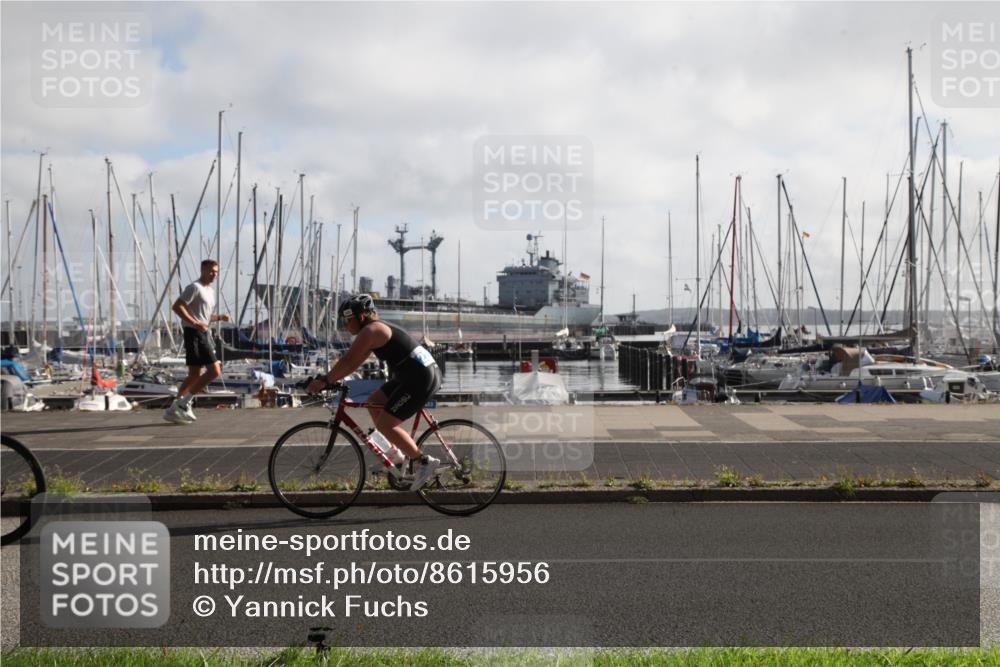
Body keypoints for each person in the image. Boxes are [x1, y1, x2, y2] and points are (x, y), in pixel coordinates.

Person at [307, 294, 441, 490]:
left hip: (420, 378)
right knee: (374, 401)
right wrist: (330, 380)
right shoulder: (372, 331)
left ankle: (424, 461)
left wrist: (325, 380)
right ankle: (395, 455)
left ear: (361, 317)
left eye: (348, 320)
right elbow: (354, 362)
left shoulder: (371, 331)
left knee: (386, 424)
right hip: (410, 375)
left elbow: (347, 361)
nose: (345, 325)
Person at [163, 260, 230, 424]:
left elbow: (204, 316)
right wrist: (194, 323)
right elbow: (177, 306)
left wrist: (219, 317)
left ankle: (175, 408)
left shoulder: (210, 291)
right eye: (211, 271)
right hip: (194, 333)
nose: (214, 274)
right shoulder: (194, 287)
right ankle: (183, 403)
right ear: (203, 270)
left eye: (216, 271)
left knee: (194, 375)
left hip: (203, 332)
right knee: (215, 370)